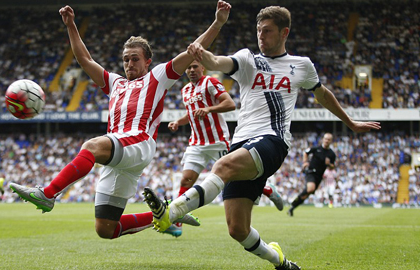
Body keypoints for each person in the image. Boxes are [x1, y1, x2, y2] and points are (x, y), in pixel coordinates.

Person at [143, 5, 381, 270]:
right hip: (241, 141)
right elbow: (215, 62)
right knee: (237, 229)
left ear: (284, 33)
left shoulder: (301, 66)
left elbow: (322, 94)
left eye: (267, 31)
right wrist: (208, 42)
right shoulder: (248, 59)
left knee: (221, 166)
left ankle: (170, 213)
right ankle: (281, 261)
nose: (261, 36)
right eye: (258, 31)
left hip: (273, 140)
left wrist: (350, 122)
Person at [9, 1, 232, 240]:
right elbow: (85, 60)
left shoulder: (158, 77)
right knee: (106, 228)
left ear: (148, 61)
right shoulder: (115, 83)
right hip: (120, 153)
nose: (129, 64)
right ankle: (169, 214)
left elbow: (192, 52)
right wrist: (71, 25)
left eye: (135, 59)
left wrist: (218, 23)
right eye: (126, 59)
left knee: (92, 146)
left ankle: (49, 194)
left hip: (138, 142)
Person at [165, 60, 283, 237]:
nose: (191, 70)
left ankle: (267, 188)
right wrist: (178, 122)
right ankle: (178, 223)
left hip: (218, 141)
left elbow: (230, 104)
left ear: (202, 67)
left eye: (194, 66)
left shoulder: (211, 82)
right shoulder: (185, 90)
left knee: (233, 177)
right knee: (185, 180)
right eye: (188, 67)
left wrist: (209, 109)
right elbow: (191, 113)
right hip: (196, 143)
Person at [287, 133, 336, 215]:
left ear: (331, 141)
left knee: (307, 194)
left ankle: (292, 207)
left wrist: (329, 164)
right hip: (311, 171)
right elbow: (305, 152)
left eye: (329, 139)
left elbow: (332, 166)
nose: (327, 140)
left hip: (319, 176)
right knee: (310, 189)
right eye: (325, 139)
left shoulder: (331, 154)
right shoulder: (316, 148)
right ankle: (293, 200)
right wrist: (305, 162)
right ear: (323, 139)